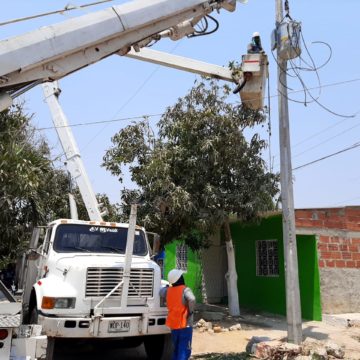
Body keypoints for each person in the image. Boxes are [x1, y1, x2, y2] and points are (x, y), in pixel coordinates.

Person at [160, 269, 195, 360]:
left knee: (175, 349)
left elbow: (161, 292)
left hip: (173, 325)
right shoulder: (185, 290)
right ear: (180, 279)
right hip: (185, 324)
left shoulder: (168, 290)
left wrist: (168, 286)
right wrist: (190, 311)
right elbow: (192, 299)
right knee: (184, 350)